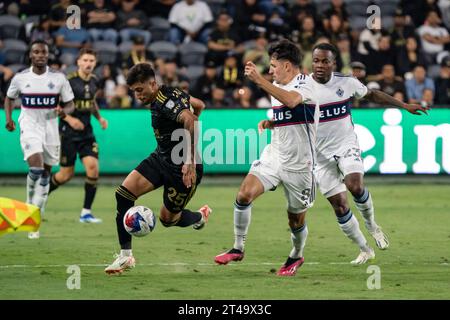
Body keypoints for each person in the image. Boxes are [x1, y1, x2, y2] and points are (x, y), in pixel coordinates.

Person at [265, 43, 428, 264]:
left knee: (355, 185)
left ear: (334, 63)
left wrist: (403, 105)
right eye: (316, 61)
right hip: (319, 156)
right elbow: (293, 114)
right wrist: (273, 123)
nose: (319, 65)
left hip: (345, 145)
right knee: (340, 206)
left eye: (325, 61)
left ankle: (372, 224)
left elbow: (372, 95)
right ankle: (364, 248)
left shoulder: (346, 83)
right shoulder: (302, 85)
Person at [214, 39, 319, 276]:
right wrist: (272, 122)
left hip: (300, 164)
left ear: (289, 66)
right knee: (244, 194)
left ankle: (296, 254)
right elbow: (292, 113)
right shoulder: (277, 85)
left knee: (296, 220)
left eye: (273, 65)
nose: (270, 70)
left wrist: (259, 80)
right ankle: (237, 248)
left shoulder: (307, 83)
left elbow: (292, 101)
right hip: (275, 154)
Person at [104, 63, 211, 274]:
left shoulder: (165, 101)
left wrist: (188, 161)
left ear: (153, 84)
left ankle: (200, 217)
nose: (137, 95)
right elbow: (199, 105)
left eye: (140, 90)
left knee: (167, 220)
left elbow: (189, 118)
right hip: (161, 158)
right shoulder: (168, 93)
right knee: (123, 195)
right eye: (134, 91)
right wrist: (196, 116)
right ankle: (126, 257)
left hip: (183, 169)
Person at [4, 40, 76, 239]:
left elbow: (71, 104)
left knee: (45, 174)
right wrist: (9, 119)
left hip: (51, 129)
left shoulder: (59, 78)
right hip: (29, 125)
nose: (40, 55)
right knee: (35, 168)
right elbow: (10, 98)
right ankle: (29, 206)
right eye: (36, 52)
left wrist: (63, 111)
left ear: (48, 55)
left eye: (43, 52)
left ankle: (36, 215)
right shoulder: (20, 78)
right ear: (31, 55)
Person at [48, 48, 108, 223]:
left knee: (93, 168)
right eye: (85, 60)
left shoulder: (95, 81)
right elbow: (55, 105)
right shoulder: (69, 82)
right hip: (68, 134)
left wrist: (99, 118)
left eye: (91, 60)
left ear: (95, 63)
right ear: (78, 62)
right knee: (66, 175)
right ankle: (40, 197)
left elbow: (92, 102)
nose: (88, 63)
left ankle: (86, 213)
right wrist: (69, 119)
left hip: (87, 135)